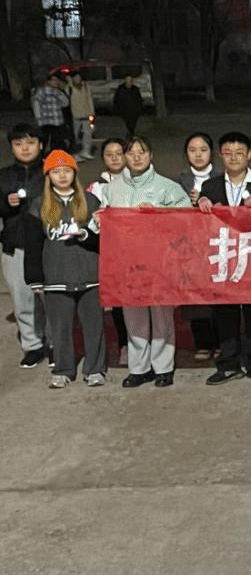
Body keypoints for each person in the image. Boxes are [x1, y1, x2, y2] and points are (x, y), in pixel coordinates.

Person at [104, 136, 191, 387]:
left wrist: (158, 214)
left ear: (151, 155)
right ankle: (139, 368)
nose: (137, 157)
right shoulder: (112, 188)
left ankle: (163, 367)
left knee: (161, 315)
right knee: (134, 317)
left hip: (160, 262)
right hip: (127, 263)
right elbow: (100, 220)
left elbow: (187, 220)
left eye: (142, 152)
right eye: (131, 153)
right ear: (124, 157)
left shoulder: (168, 187)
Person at [197, 131, 251, 385]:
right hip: (223, 256)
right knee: (225, 312)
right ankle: (228, 364)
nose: (233, 158)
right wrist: (200, 204)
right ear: (221, 155)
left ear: (249, 155)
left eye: (239, 153)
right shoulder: (210, 187)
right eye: (228, 153)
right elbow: (199, 224)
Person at [22, 151, 105, 388]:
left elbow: (102, 241)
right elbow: (33, 245)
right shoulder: (39, 204)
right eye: (56, 172)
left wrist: (86, 234)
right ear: (48, 175)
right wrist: (35, 278)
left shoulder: (90, 201)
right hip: (56, 276)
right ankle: (63, 369)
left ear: (74, 173)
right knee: (60, 328)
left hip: (89, 274)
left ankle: (95, 369)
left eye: (67, 171)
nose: (62, 176)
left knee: (94, 326)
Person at [0, 124, 48, 367]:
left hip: (46, 244)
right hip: (15, 243)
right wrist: (5, 203)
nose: (25, 148)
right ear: (12, 147)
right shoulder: (4, 175)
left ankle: (54, 342)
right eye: (18, 144)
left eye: (30, 143)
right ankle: (32, 345)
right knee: (22, 298)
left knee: (50, 297)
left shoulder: (51, 171)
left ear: (40, 145)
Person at [175, 132, 220, 362]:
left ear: (212, 152)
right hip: (191, 243)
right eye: (192, 150)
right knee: (195, 292)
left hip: (217, 242)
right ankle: (202, 342)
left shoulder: (222, 176)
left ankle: (221, 341)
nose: (198, 155)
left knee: (218, 292)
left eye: (203, 150)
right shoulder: (179, 180)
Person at [86, 138, 129, 365]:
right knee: (119, 301)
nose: (114, 158)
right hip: (110, 252)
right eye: (109, 154)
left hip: (136, 250)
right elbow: (87, 219)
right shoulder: (96, 188)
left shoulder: (139, 181)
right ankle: (124, 345)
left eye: (119, 153)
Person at [33, 74, 71, 152]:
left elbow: (66, 103)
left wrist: (58, 93)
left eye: (57, 80)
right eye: (54, 80)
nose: (56, 82)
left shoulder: (58, 92)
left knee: (57, 142)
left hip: (57, 122)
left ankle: (54, 156)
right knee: (44, 142)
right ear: (48, 82)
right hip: (46, 122)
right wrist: (39, 119)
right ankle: (41, 156)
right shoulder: (42, 91)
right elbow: (36, 105)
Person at [67, 71, 95, 160]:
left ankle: (86, 151)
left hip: (86, 114)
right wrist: (69, 83)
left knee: (88, 133)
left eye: (79, 77)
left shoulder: (86, 86)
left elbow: (90, 100)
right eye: (75, 77)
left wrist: (92, 113)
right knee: (74, 135)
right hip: (75, 116)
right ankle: (74, 153)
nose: (77, 79)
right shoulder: (69, 87)